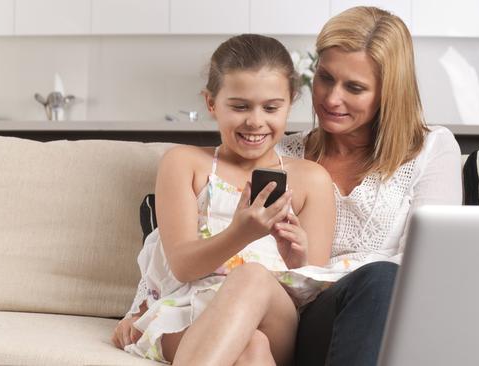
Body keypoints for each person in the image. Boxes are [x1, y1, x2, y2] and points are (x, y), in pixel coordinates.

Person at [113, 33, 336, 365]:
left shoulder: (311, 180)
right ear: (211, 103)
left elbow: (315, 294)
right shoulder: (184, 164)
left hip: (275, 317)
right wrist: (240, 233)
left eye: (271, 107)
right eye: (240, 106)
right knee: (252, 349)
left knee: (253, 277)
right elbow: (184, 266)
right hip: (189, 312)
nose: (255, 121)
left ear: (290, 102)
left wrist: (299, 258)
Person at [275, 6, 462, 365]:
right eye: (326, 77)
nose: (331, 99)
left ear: (389, 93)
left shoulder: (431, 150)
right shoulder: (283, 154)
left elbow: (426, 265)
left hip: (385, 319)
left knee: (381, 279)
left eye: (354, 87)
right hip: (294, 324)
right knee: (377, 277)